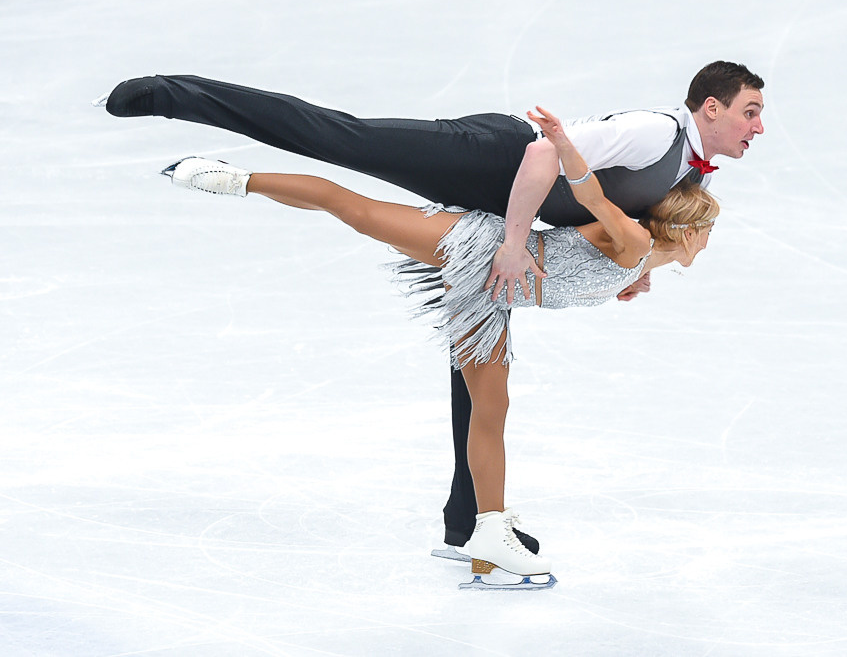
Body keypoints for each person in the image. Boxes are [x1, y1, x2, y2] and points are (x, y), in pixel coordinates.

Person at [101, 61, 764, 555]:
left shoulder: (684, 172)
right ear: (711, 108)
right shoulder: (655, 133)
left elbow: (615, 233)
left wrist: (632, 273)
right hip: (492, 163)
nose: (757, 127)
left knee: (475, 380)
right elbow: (544, 154)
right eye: (749, 112)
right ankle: (174, 96)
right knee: (347, 139)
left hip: (501, 225)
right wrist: (510, 244)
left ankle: (467, 516)